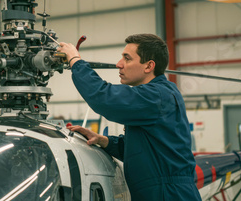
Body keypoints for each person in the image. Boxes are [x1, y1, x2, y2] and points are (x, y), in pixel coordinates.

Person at [58, 33, 201, 201]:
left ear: (149, 66)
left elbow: (104, 98)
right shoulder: (161, 94)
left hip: (167, 195)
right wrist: (104, 141)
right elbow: (145, 152)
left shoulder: (156, 96)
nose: (119, 65)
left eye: (127, 58)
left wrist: (75, 61)